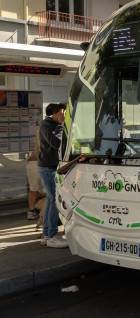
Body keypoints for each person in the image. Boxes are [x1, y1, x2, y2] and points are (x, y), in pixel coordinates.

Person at [38, 103, 68, 248]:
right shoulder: (47, 125)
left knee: (52, 200)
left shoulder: (50, 125)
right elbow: (55, 144)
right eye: (62, 112)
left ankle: (46, 234)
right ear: (55, 113)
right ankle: (50, 235)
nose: (63, 115)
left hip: (50, 167)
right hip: (48, 168)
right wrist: (62, 128)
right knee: (54, 200)